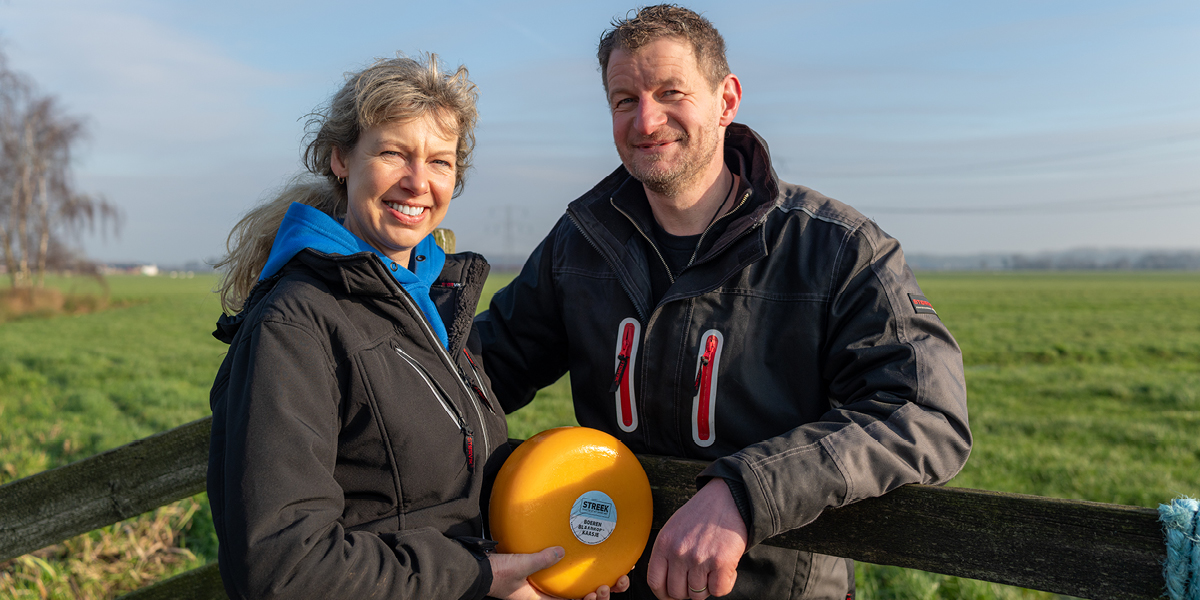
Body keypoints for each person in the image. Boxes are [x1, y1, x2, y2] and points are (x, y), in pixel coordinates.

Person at [474, 6, 972, 600]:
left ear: (726, 100)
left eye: (670, 92)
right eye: (624, 99)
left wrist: (748, 490)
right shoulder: (582, 243)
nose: (646, 119)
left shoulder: (835, 248)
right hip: (611, 583)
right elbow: (475, 378)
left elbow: (925, 414)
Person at [207, 54, 627, 600]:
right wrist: (481, 577)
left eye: (440, 162)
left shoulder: (429, 301)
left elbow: (435, 478)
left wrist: (563, 553)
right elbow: (282, 565)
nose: (417, 182)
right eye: (392, 153)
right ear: (340, 158)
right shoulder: (296, 325)